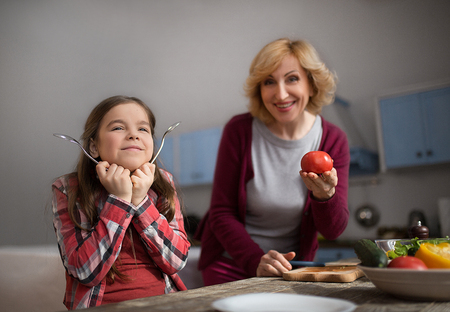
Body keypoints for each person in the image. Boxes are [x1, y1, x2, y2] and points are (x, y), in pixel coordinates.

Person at [194, 38, 350, 286]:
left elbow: (333, 230)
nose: (280, 93)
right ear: (259, 89)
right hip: (232, 264)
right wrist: (256, 259)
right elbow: (222, 213)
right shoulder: (239, 130)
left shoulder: (332, 139)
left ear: (311, 84)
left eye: (292, 78)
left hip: (293, 270)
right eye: (269, 82)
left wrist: (325, 197)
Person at [52, 95, 190, 309]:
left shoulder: (164, 182)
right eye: (118, 128)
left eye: (143, 129)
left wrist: (141, 201)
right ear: (94, 147)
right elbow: (84, 271)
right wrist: (120, 201)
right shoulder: (68, 188)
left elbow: (176, 261)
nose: (134, 135)